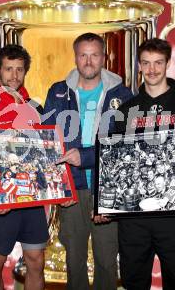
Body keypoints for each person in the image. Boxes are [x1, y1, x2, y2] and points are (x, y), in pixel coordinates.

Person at [43, 32, 133, 290]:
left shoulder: (123, 95)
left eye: (94, 55)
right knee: (74, 258)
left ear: (104, 57)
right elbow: (50, 142)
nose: (89, 61)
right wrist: (63, 185)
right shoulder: (58, 92)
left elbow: (123, 146)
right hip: (73, 188)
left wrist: (83, 157)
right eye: (83, 55)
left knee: (106, 260)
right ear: (75, 58)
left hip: (107, 187)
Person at [115, 38, 175, 290]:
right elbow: (117, 160)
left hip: (173, 214)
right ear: (139, 65)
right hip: (133, 217)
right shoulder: (126, 109)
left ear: (168, 63)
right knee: (133, 281)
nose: (152, 70)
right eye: (146, 63)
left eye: (158, 63)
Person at [0, 44, 49, 290]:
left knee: (36, 261)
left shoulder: (37, 110)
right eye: (8, 69)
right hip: (0, 199)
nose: (14, 76)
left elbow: (48, 153)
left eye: (19, 70)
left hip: (32, 199)